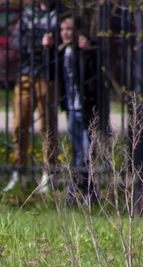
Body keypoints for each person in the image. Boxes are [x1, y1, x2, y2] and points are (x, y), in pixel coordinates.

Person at [5, 0, 63, 194]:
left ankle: (49, 174)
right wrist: (38, 43)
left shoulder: (60, 14)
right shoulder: (27, 15)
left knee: (47, 127)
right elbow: (14, 42)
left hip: (48, 75)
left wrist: (53, 43)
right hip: (25, 73)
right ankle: (19, 172)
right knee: (19, 125)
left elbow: (66, 42)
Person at [58, 15, 99, 204]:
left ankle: (84, 190)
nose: (65, 33)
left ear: (78, 31)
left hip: (85, 107)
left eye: (69, 29)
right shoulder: (62, 52)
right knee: (77, 151)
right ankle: (78, 190)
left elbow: (93, 73)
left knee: (86, 150)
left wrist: (87, 49)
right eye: (62, 30)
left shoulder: (85, 51)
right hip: (70, 108)